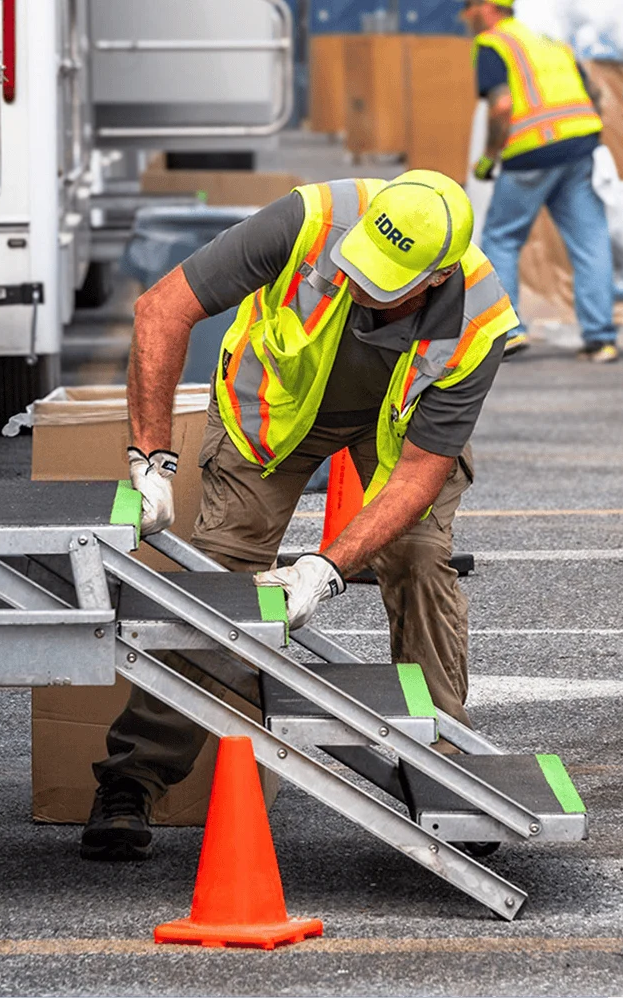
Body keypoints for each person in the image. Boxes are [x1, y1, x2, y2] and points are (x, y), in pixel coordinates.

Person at [80, 169, 519, 862]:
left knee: (420, 558)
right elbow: (161, 309)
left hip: (394, 428)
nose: (361, 286)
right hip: (275, 409)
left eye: (387, 282)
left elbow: (417, 473)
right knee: (219, 571)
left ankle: (438, 763)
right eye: (359, 268)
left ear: (436, 279)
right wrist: (151, 459)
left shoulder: (478, 320)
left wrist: (324, 567)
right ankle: (133, 776)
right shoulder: (309, 220)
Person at [463, 0, 618, 363]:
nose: (465, 16)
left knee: (501, 238)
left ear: (487, 8)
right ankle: (600, 339)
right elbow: (593, 94)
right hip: (580, 144)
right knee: (590, 239)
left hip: (532, 150)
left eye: (468, 7)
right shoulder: (548, 38)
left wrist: (488, 158)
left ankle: (509, 332)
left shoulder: (493, 43)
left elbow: (501, 106)